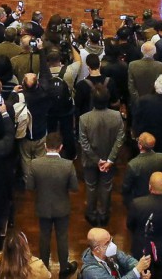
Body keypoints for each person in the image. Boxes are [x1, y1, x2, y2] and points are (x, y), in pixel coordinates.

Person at [27, 132, 79, 276]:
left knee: (44, 236)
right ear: (61, 147)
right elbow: (74, 187)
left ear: (45, 146)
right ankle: (63, 268)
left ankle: (43, 267)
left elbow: (29, 187)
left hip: (42, 206)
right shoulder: (68, 165)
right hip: (62, 207)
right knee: (62, 237)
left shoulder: (35, 164)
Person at [79, 88, 124, 226]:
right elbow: (120, 139)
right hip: (109, 161)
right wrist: (110, 160)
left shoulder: (84, 118)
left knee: (91, 186)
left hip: (90, 161)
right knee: (106, 186)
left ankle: (91, 214)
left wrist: (97, 160)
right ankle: (104, 215)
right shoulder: (117, 116)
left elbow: (84, 143)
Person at [79, 228, 152, 279]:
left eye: (111, 239)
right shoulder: (91, 271)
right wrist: (137, 270)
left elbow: (127, 260)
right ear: (97, 249)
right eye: (107, 243)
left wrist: (141, 272)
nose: (112, 244)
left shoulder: (108, 252)